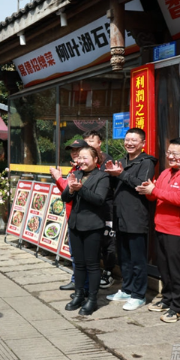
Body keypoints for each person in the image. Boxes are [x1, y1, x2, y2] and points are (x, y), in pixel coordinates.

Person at [105, 128, 156, 311]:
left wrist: (121, 174)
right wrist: (111, 175)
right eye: (127, 140)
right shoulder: (122, 161)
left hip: (136, 217)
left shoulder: (147, 161)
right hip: (120, 216)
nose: (130, 143)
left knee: (137, 258)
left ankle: (139, 295)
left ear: (143, 143)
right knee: (124, 257)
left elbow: (141, 184)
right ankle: (127, 289)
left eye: (134, 140)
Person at [136, 138, 180, 322]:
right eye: (169, 153)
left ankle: (178, 307)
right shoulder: (165, 173)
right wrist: (147, 191)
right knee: (164, 269)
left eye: (176, 153)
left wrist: (154, 191)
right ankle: (167, 299)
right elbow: (156, 197)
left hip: (177, 231)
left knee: (176, 270)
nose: (171, 156)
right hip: (161, 227)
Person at [61, 146, 110, 316]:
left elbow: (99, 199)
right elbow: (65, 197)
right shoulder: (78, 174)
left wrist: (80, 188)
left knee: (92, 264)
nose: (81, 161)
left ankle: (93, 299)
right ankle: (79, 294)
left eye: (85, 158)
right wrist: (71, 189)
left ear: (96, 159)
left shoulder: (102, 176)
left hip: (92, 226)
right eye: (79, 158)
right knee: (79, 264)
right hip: (75, 224)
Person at [50, 140, 89, 294]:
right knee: (75, 253)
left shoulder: (86, 171)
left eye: (77, 150)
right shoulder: (74, 169)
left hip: (82, 218)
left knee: (83, 256)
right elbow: (66, 192)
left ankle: (83, 286)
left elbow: (72, 188)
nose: (74, 153)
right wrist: (58, 179)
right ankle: (76, 281)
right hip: (71, 216)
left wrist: (59, 178)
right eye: (72, 150)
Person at [83, 130, 116, 289]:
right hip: (90, 206)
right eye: (86, 141)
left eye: (91, 141)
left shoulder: (107, 160)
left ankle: (109, 272)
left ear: (99, 143)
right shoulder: (83, 160)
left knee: (108, 240)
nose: (88, 144)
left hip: (107, 206)